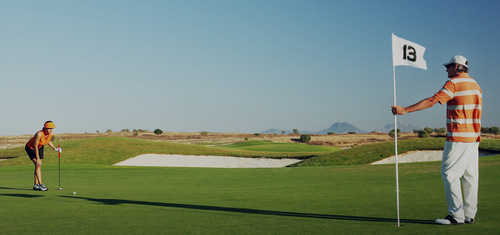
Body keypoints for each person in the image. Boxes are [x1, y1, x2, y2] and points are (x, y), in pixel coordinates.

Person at [391, 55, 482, 225]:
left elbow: (433, 100)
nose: (446, 69)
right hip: (474, 137)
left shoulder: (454, 83)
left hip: (458, 136)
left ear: (456, 67)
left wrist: (404, 110)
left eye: (448, 66)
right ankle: (469, 213)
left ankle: (456, 215)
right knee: (470, 176)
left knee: (449, 174)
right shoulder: (475, 85)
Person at [25, 121, 62, 191]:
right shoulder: (39, 134)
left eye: (52, 128)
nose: (51, 130)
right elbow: (35, 146)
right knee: (38, 164)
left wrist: (55, 149)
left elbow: (48, 141)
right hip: (31, 148)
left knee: (38, 166)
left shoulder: (51, 134)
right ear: (45, 128)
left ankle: (35, 185)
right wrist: (38, 159)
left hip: (40, 147)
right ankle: (40, 185)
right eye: (49, 128)